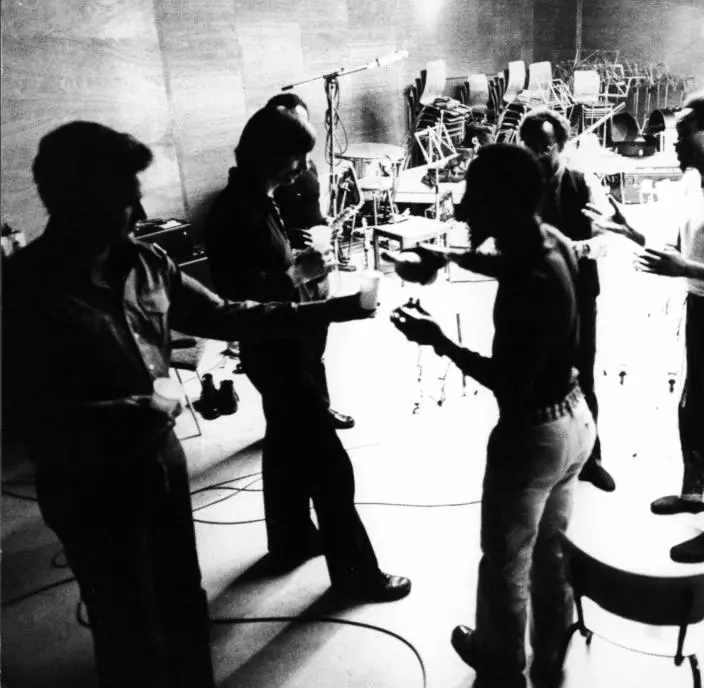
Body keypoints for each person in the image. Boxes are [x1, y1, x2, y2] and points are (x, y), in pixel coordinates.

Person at [0, 121, 387, 688]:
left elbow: (228, 315)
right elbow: (20, 409)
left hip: (162, 463)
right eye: (123, 198)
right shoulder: (21, 289)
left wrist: (333, 309)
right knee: (124, 616)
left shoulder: (148, 264)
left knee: (182, 595)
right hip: (89, 483)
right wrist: (112, 413)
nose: (138, 212)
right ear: (75, 199)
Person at [391, 144, 596, 688]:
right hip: (575, 419)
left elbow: (509, 381)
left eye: (473, 197)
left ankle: (502, 671)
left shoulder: (531, 280)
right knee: (551, 552)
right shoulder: (551, 242)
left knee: (505, 564)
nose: (462, 208)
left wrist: (438, 341)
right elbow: (508, 263)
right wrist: (449, 258)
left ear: (502, 203)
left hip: (534, 437)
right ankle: (550, 660)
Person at [204, 107, 410, 598]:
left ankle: (291, 539)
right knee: (330, 467)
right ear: (271, 155)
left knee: (284, 447)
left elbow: (263, 274)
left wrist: (297, 265)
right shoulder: (237, 212)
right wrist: (298, 275)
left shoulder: (256, 201)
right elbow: (242, 298)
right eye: (297, 158)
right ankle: (356, 575)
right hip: (277, 353)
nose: (301, 169)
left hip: (279, 350)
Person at [585, 93, 704, 564]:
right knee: (693, 407)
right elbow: (681, 249)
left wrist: (686, 269)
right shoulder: (695, 186)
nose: (674, 141)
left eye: (683, 133)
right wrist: (630, 230)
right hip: (702, 307)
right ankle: (695, 493)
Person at [519, 107, 615, 492]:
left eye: (545, 147)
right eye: (531, 147)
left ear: (560, 144)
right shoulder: (523, 187)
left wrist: (574, 249)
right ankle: (547, 459)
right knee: (537, 376)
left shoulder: (583, 184)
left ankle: (591, 460)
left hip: (579, 296)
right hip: (536, 298)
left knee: (583, 377)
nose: (538, 155)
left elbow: (605, 240)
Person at [264, 92, 355, 429]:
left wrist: (325, 227)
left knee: (317, 344)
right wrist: (293, 242)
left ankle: (321, 408)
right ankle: (305, 419)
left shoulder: (308, 165)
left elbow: (313, 207)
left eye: (302, 122)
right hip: (294, 266)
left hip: (317, 261)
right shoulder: (273, 176)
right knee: (298, 348)